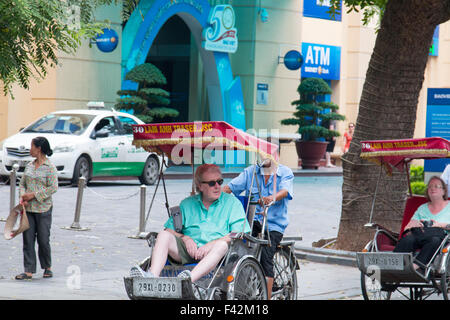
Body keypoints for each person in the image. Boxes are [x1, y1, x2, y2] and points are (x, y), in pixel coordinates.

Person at [131, 164, 250, 284]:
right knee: (163, 235)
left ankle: (186, 281)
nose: (217, 187)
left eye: (220, 182)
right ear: (200, 186)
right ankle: (151, 278)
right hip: (189, 250)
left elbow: (239, 232)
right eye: (212, 183)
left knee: (222, 245)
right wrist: (186, 238)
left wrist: (211, 245)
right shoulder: (187, 204)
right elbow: (169, 230)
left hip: (218, 253)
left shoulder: (232, 203)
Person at [223, 159, 294, 298]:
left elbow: (284, 191)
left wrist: (271, 198)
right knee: (235, 247)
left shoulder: (285, 172)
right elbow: (230, 187)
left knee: (266, 257)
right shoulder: (251, 172)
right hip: (252, 222)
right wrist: (212, 195)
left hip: (273, 225)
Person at [15, 137, 58, 280]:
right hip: (29, 210)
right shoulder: (29, 166)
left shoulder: (49, 167)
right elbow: (22, 184)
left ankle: (47, 267)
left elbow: (53, 187)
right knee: (27, 239)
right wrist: (23, 197)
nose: (30, 149)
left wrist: (34, 195)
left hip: (43, 209)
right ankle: (28, 270)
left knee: (43, 239)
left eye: (32, 146)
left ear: (39, 148)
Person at [393, 176, 450, 270]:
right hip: (420, 235)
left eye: (436, 186)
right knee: (408, 239)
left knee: (434, 240)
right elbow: (407, 228)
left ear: (444, 191)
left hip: (441, 239)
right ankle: (394, 265)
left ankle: (416, 266)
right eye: (430, 186)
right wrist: (413, 225)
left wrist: (439, 225)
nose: (432, 188)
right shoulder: (422, 208)